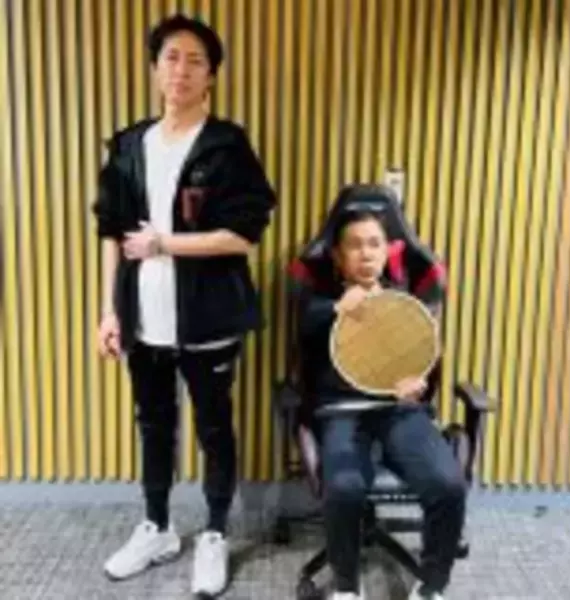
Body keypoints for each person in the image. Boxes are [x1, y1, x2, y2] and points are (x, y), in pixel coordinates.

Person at [92, 14, 276, 596]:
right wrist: (110, 311)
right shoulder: (129, 145)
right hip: (143, 318)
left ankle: (215, 532)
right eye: (171, 57)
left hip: (209, 318)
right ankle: (157, 527)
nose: (182, 69)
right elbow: (111, 233)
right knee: (153, 424)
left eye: (196, 60)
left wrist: (164, 244)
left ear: (211, 76)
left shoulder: (228, 146)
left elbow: (243, 235)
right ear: (155, 68)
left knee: (214, 426)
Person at [298, 210, 466, 600]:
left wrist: (418, 384)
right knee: (344, 487)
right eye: (354, 245)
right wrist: (337, 307)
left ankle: (432, 585)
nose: (366, 253)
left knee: (448, 484)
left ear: (387, 251)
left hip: (399, 411)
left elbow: (423, 362)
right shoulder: (319, 303)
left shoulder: (405, 308)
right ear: (337, 256)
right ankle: (346, 587)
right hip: (342, 414)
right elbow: (307, 322)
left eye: (374, 244)